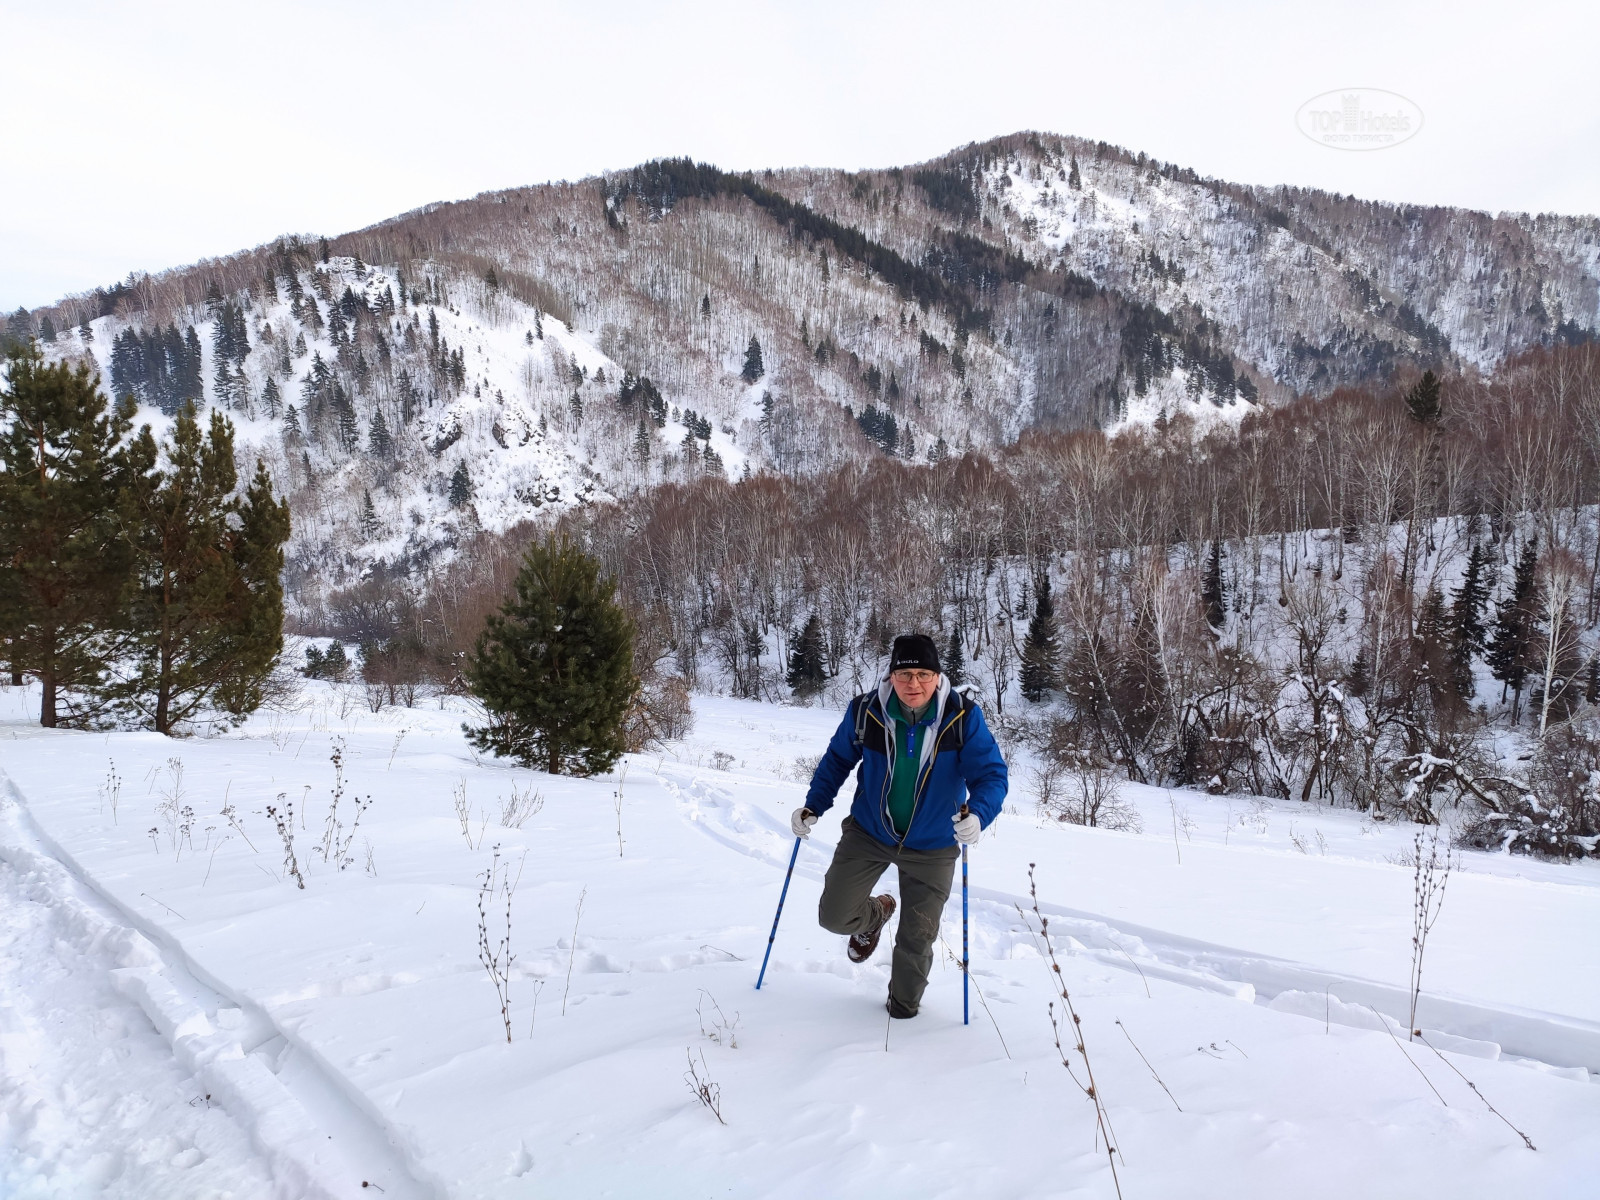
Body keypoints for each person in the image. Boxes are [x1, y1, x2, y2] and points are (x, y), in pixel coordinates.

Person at [792, 633, 1008, 1019]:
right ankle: (876, 915)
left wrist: (979, 813)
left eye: (924, 674)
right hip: (870, 831)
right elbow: (837, 760)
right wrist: (813, 805)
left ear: (937, 676)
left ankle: (904, 1006)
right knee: (834, 917)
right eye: (905, 675)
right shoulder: (866, 711)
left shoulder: (961, 717)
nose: (914, 685)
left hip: (934, 843)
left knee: (918, 935)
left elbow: (991, 774)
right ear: (891, 676)